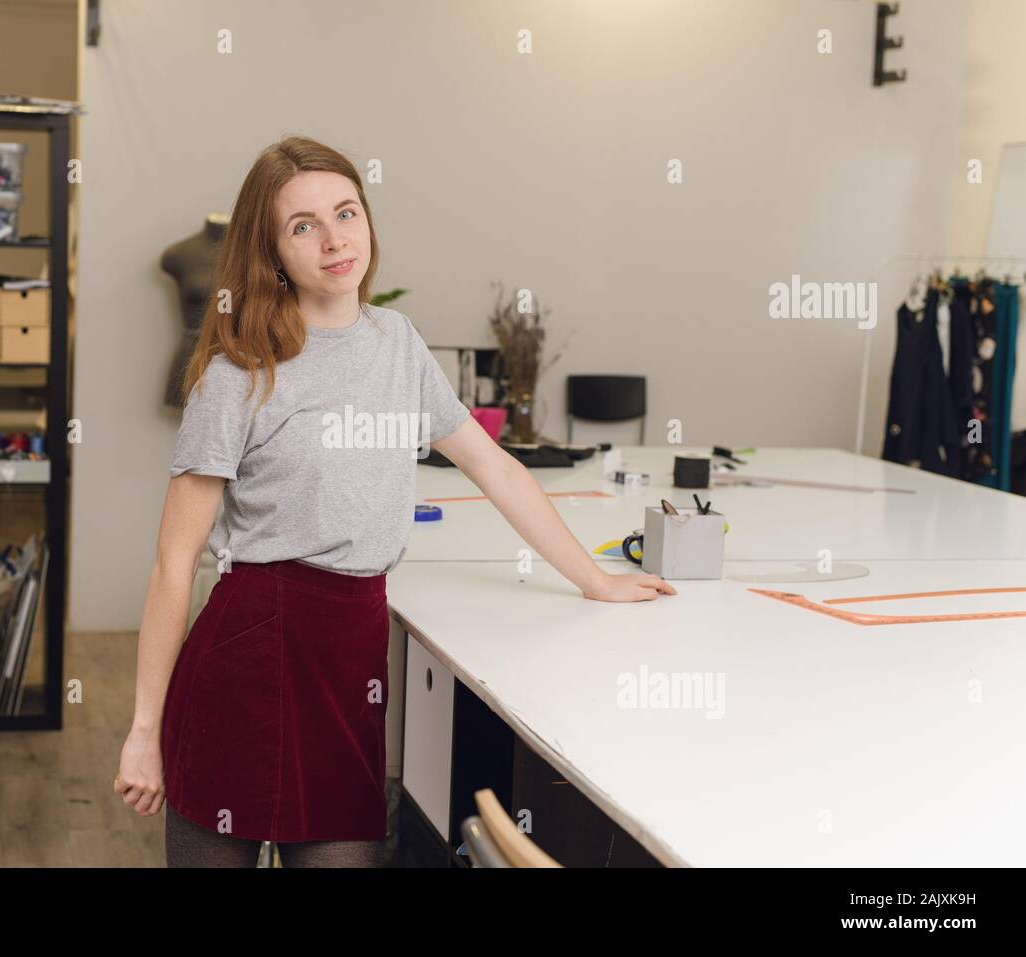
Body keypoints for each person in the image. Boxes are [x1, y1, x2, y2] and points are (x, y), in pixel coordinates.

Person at [114, 136, 677, 868]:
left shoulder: (399, 344)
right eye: (303, 225)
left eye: (346, 212)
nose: (334, 239)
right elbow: (173, 561)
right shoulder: (240, 368)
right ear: (272, 250)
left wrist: (594, 578)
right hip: (248, 658)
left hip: (351, 662)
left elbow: (494, 467)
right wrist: (142, 731)